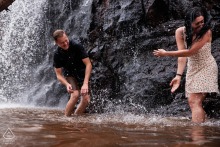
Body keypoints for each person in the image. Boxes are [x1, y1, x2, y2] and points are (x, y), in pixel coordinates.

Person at [153, 7, 219, 123]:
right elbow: (182, 55)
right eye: (197, 23)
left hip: (207, 67)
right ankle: (203, 130)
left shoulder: (206, 32)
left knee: (194, 101)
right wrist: (178, 76)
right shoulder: (180, 32)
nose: (201, 25)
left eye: (202, 22)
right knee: (193, 101)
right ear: (189, 23)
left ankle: (197, 133)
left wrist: (166, 53)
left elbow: (190, 52)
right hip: (192, 68)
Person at [52, 29, 92, 116]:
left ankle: (75, 119)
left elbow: (88, 64)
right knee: (75, 95)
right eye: (62, 43)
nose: (66, 44)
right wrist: (67, 84)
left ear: (67, 36)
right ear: (57, 42)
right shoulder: (57, 54)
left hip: (82, 72)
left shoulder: (77, 46)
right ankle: (66, 119)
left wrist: (85, 83)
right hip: (69, 74)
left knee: (86, 99)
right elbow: (58, 75)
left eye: (66, 40)